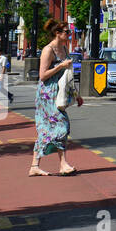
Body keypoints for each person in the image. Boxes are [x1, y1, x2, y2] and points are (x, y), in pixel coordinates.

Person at [30, 19, 83, 176]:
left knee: (48, 129)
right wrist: (60, 65)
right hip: (47, 94)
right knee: (62, 126)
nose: (69, 34)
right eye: (67, 32)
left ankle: (36, 165)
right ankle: (62, 164)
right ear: (57, 33)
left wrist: (77, 95)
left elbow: (68, 76)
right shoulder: (48, 50)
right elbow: (42, 75)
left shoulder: (64, 48)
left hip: (59, 93)